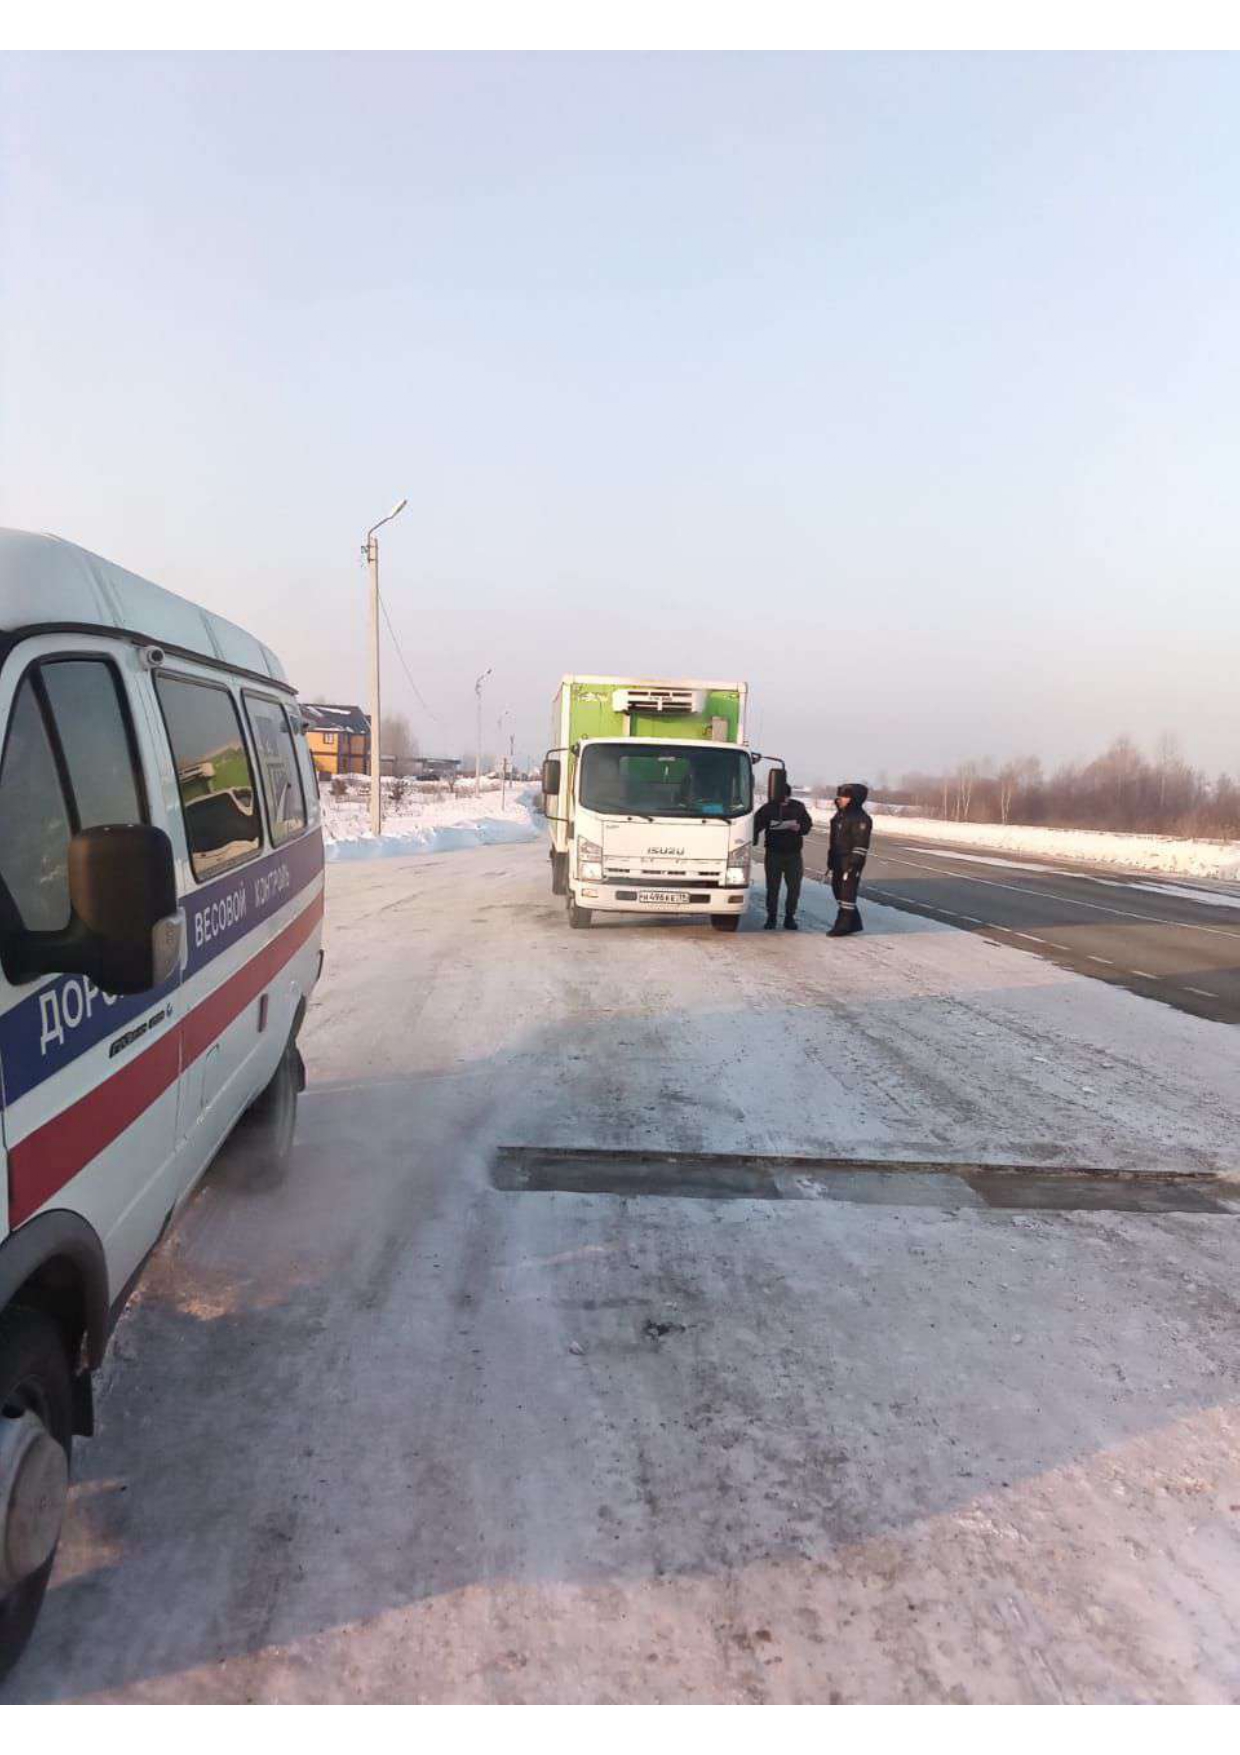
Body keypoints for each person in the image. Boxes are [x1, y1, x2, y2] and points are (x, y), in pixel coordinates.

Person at [753, 775, 813, 930]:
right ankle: (771, 917)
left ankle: (789, 917)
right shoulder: (768, 808)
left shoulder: (798, 807)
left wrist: (799, 827)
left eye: (786, 797)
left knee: (794, 887)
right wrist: (751, 839)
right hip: (773, 853)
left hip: (794, 854)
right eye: (781, 797)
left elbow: (807, 825)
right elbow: (755, 825)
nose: (784, 800)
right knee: (772, 888)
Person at [827, 782, 873, 936]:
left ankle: (844, 924)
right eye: (841, 795)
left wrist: (855, 862)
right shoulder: (840, 815)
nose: (841, 799)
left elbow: (861, 842)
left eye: (845, 796)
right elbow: (834, 839)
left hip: (850, 860)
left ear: (855, 798)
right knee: (837, 889)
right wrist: (831, 858)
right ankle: (855, 922)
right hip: (838, 859)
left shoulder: (861, 818)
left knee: (847, 892)